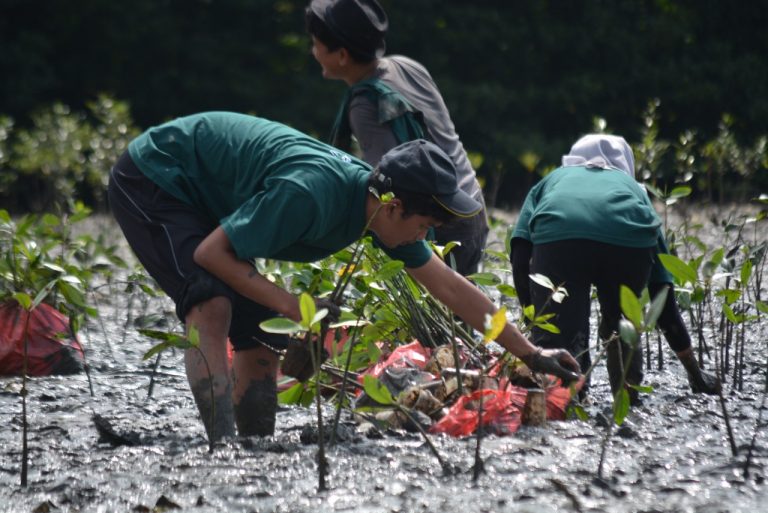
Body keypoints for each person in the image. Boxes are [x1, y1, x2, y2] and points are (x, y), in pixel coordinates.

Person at [107, 111, 580, 443]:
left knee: (259, 336)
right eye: (425, 225)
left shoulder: (380, 211)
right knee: (211, 303)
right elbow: (212, 253)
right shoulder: (310, 194)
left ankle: (253, 448)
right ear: (394, 207)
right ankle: (222, 447)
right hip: (158, 177)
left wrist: (531, 353)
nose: (425, 235)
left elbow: (451, 287)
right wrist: (295, 309)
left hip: (212, 198)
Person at [509, 134, 720, 404]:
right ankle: (627, 396)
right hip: (628, 242)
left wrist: (533, 315)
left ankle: (568, 398)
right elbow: (662, 292)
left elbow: (519, 253)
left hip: (560, 236)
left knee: (562, 338)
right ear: (625, 165)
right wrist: (694, 372)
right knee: (622, 323)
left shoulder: (551, 181)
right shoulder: (634, 191)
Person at [305, 0, 489, 276]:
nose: (313, 51)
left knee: (440, 309)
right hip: (471, 205)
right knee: (462, 312)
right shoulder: (406, 66)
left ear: (342, 55)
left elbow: (391, 189)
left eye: (316, 43)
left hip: (435, 221)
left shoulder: (366, 105)